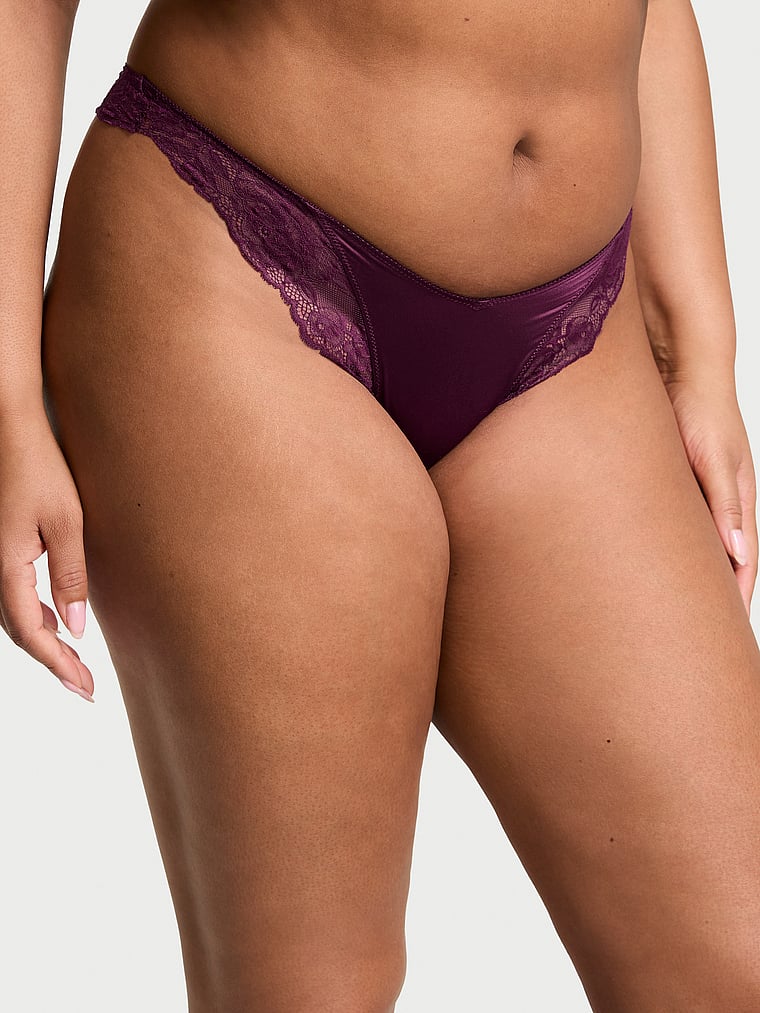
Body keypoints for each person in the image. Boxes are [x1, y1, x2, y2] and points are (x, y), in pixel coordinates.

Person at [1, 0, 757, 1009]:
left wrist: (699, 338)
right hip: (238, 256)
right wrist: (5, 398)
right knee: (316, 991)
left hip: (575, 332)